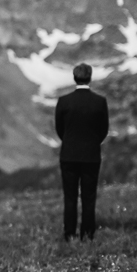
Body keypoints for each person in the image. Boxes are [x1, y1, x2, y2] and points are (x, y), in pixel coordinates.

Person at [54, 63, 110, 241]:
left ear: (74, 77)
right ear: (90, 77)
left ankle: (69, 234)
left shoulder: (64, 101)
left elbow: (59, 129)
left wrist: (70, 142)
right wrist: (93, 142)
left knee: (70, 197)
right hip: (91, 155)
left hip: (69, 155)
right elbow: (104, 129)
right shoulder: (100, 102)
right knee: (89, 197)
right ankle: (87, 235)